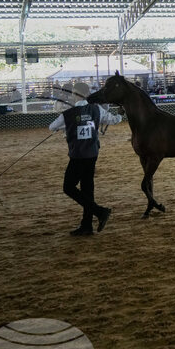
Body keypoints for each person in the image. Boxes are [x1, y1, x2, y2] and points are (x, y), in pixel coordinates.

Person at [49, 81, 122, 236]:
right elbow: (114, 120)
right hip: (92, 154)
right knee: (87, 189)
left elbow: (52, 126)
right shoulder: (97, 110)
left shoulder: (69, 113)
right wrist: (121, 114)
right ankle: (86, 225)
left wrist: (63, 127)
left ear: (76, 95)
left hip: (77, 155)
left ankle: (100, 212)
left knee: (68, 187)